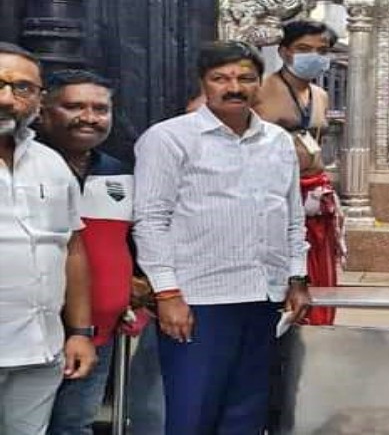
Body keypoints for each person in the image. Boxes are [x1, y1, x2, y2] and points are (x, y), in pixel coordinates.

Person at [133, 40, 310, 434]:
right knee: (192, 412)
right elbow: (150, 220)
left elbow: (292, 217)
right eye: (221, 78)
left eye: (245, 78)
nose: (234, 87)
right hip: (199, 300)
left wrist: (297, 278)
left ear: (259, 83)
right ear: (204, 83)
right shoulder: (169, 139)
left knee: (247, 412)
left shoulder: (278, 142)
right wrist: (167, 294)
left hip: (263, 296)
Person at [0, 42, 96, 434]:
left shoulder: (51, 163)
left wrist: (80, 332)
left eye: (22, 88)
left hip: (39, 349)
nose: (7, 98)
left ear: (39, 100)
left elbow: (71, 249)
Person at [34, 70, 133, 435]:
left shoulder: (120, 173)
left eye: (99, 108)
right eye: (74, 106)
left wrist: (131, 292)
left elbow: (125, 245)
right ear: (43, 110)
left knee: (74, 425)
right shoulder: (23, 168)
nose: (89, 117)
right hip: (29, 335)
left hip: (96, 334)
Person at [256, 19, 342, 325]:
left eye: (322, 50)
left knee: (320, 271)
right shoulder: (260, 89)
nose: (314, 56)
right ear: (284, 51)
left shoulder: (320, 95)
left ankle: (318, 332)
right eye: (304, 49)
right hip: (274, 191)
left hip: (315, 189)